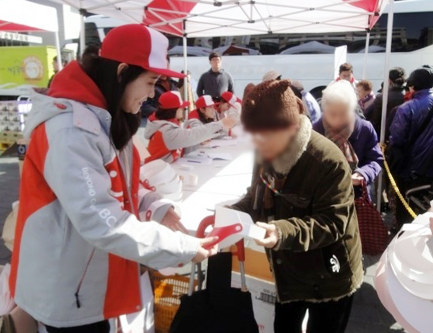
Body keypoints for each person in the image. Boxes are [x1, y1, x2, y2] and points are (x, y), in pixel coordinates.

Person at [10, 24, 219, 333]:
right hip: (68, 290)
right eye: (150, 82)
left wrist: (156, 206)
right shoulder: (71, 130)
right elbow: (101, 220)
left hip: (89, 277)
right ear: (122, 72)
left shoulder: (103, 115)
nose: (152, 94)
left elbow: (123, 183)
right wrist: (182, 247)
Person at [232, 79, 362, 333]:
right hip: (288, 270)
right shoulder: (264, 151)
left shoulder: (328, 160)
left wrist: (281, 232)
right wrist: (233, 212)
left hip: (329, 275)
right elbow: (256, 194)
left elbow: (332, 223)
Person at [389, 65, 433, 225]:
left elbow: (397, 139)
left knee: (406, 211)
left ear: (412, 85)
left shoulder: (406, 108)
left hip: (409, 170)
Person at [314, 80, 383, 197]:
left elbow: (375, 159)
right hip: (323, 196)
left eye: (343, 113)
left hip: (356, 195)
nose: (337, 119)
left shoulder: (365, 128)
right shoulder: (315, 130)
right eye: (332, 113)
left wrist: (363, 173)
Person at [144, 91, 235, 163]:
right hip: (155, 173)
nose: (183, 109)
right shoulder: (166, 132)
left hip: (165, 167)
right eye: (181, 107)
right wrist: (220, 124)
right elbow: (193, 135)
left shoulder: (168, 125)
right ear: (173, 111)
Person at [365, 67, 406, 138]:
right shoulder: (409, 97)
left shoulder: (382, 97)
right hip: (403, 136)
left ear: (389, 81)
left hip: (384, 136)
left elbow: (374, 121)